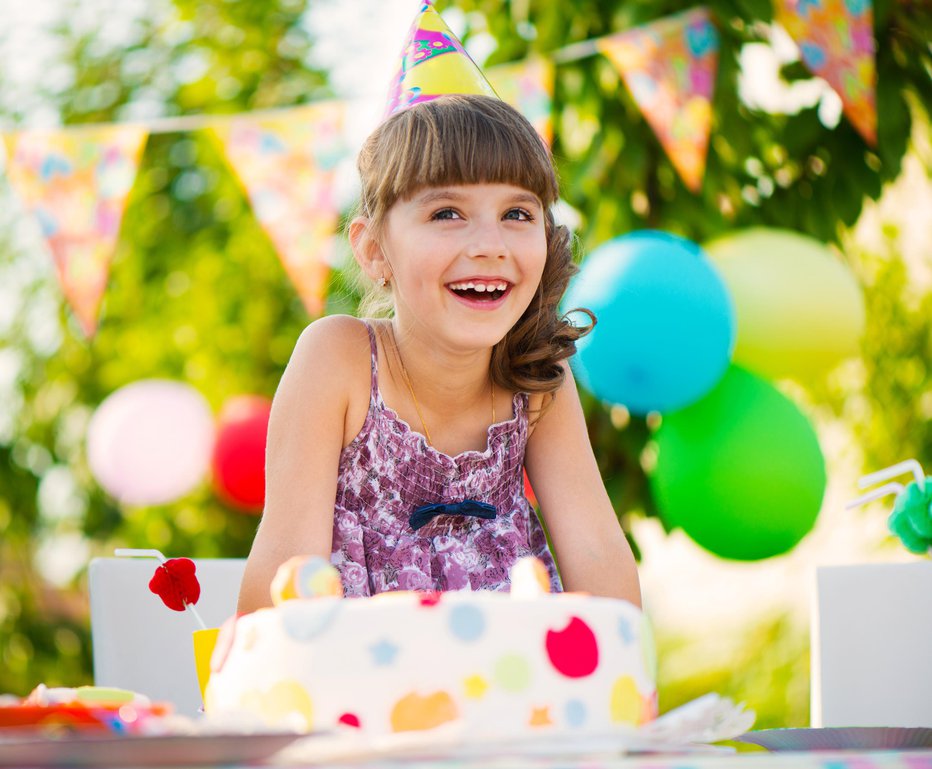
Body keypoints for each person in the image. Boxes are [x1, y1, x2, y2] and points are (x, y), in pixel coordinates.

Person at [237, 94, 640, 612]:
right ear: (374, 249)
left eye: (517, 213)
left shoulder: (538, 373)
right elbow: (282, 575)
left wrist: (626, 676)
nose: (490, 244)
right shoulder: (339, 358)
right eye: (447, 213)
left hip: (512, 681)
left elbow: (598, 552)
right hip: (354, 680)